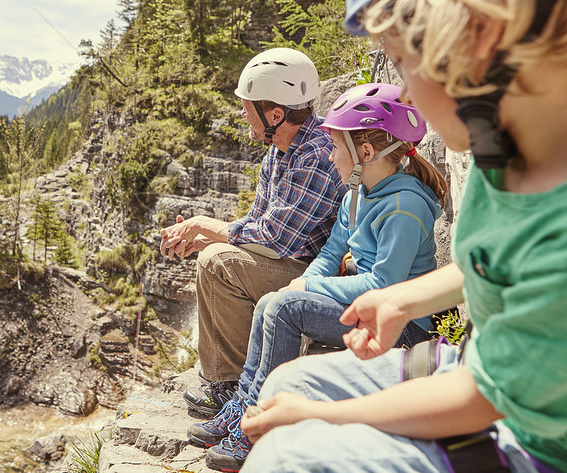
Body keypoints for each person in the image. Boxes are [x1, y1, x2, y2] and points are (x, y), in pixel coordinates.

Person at [239, 0, 567, 472]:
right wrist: (405, 297)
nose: (404, 95)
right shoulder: (514, 148)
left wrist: (323, 419)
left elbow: (481, 398)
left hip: (553, 447)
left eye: (403, 64)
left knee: (293, 453)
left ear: (478, 38)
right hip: (497, 383)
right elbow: (501, 259)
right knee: (290, 380)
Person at [189, 83, 448, 472]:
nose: (330, 156)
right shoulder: (355, 195)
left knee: (284, 308)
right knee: (274, 301)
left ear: (366, 153)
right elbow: (330, 252)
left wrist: (308, 288)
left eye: (336, 148)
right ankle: (245, 404)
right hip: (363, 308)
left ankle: (256, 427)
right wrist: (303, 281)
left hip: (401, 326)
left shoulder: (404, 207)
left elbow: (384, 286)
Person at [159, 47, 346, 416]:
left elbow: (276, 238)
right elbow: (257, 224)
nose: (243, 112)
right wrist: (199, 239)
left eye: (249, 106)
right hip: (293, 262)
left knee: (219, 263)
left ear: (276, 113)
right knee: (213, 255)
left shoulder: (316, 154)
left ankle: (230, 386)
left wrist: (202, 226)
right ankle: (227, 378)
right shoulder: (279, 151)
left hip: (315, 276)